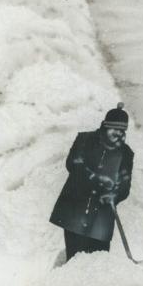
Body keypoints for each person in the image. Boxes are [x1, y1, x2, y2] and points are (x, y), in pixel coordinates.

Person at [50, 104, 134, 261]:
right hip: (75, 209)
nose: (118, 134)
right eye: (114, 129)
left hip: (102, 217)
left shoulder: (126, 154)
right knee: (75, 259)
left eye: (122, 131)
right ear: (105, 126)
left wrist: (114, 195)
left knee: (97, 261)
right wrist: (97, 179)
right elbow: (73, 164)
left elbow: (125, 185)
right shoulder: (84, 140)